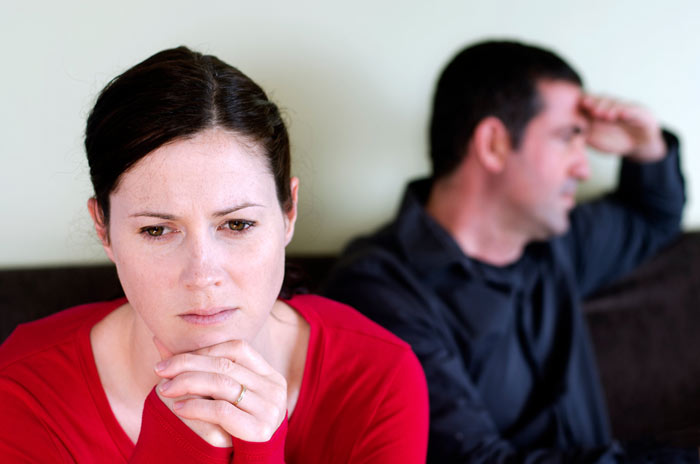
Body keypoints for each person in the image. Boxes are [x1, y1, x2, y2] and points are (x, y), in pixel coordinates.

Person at [0, 46, 429, 463]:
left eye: (237, 224)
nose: (202, 275)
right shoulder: (23, 389)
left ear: (288, 212)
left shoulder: (378, 379)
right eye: (156, 230)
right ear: (103, 229)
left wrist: (259, 450)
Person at [323, 40, 695, 462]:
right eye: (567, 138)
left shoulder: (558, 244)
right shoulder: (380, 291)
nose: (584, 167)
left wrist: (644, 145)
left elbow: (653, 216)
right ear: (494, 144)